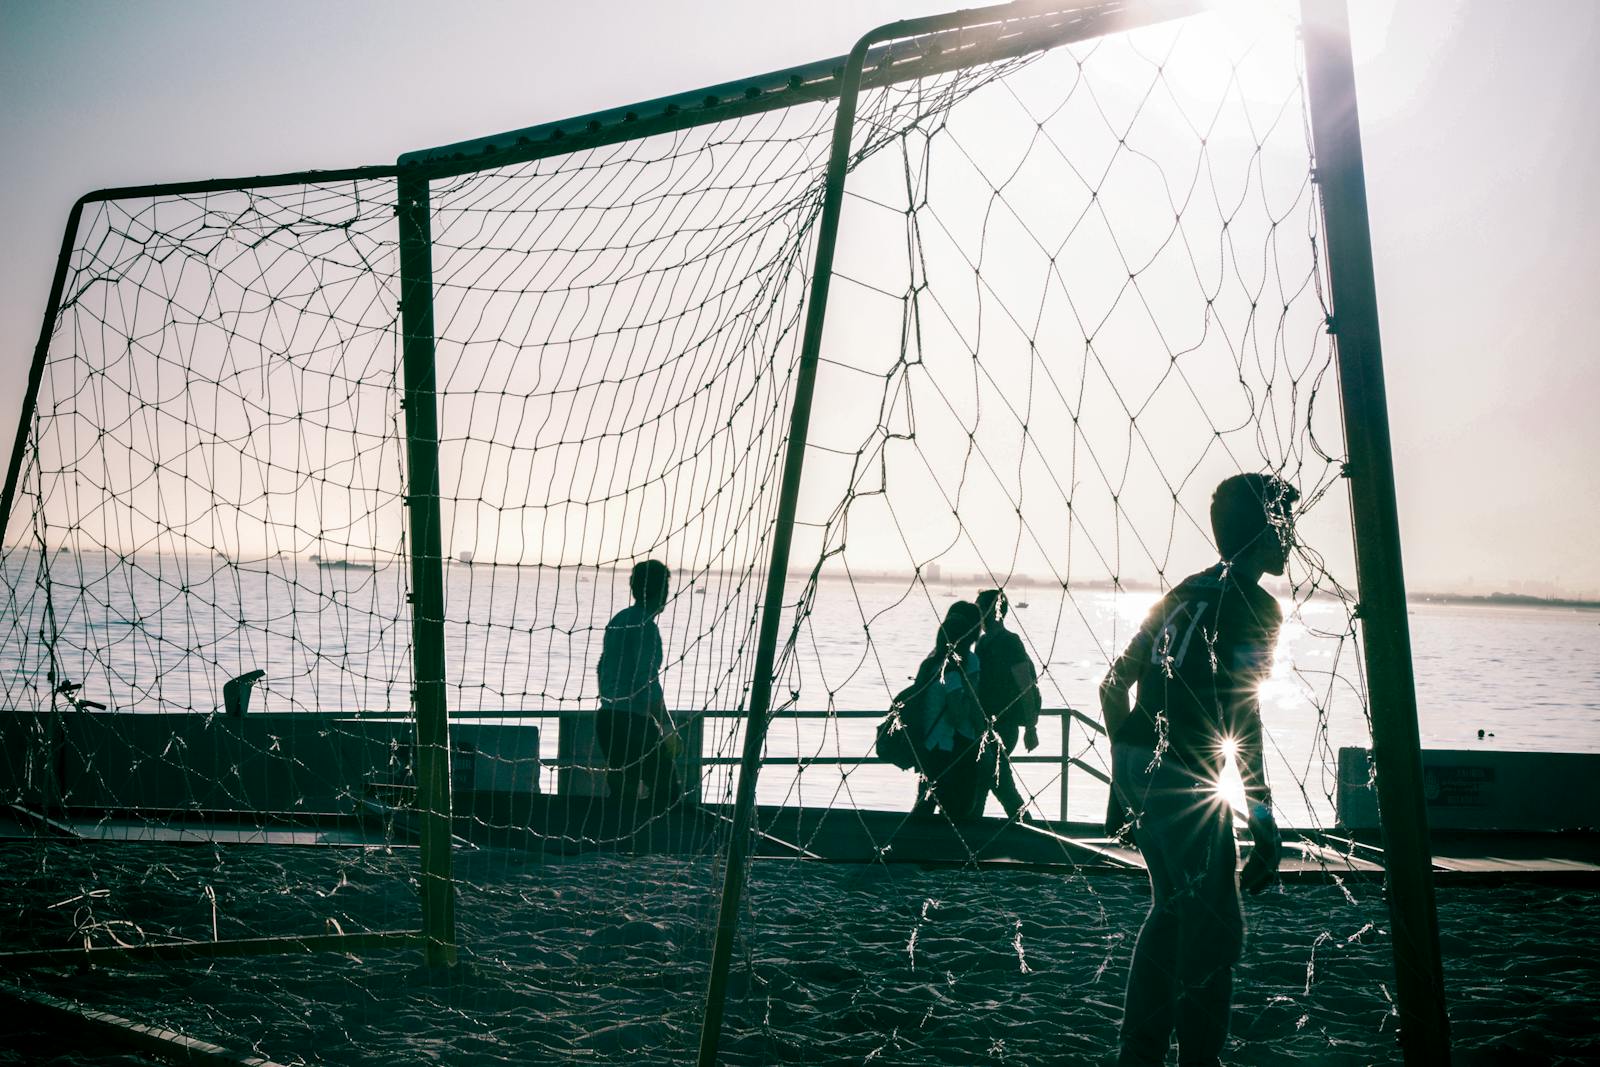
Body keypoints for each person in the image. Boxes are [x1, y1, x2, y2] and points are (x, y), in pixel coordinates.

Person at [1099, 473, 1298, 1067]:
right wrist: (1262, 819)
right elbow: (1243, 713)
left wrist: (1124, 767)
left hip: (1144, 761)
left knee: (1172, 910)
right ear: (1263, 532)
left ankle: (1140, 1052)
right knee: (1216, 929)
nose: (1291, 537)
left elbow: (1114, 683)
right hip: (1180, 772)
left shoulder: (1185, 590)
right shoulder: (1256, 606)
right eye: (1284, 523)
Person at [596, 559, 685, 823]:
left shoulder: (619, 620)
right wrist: (668, 728)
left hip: (607, 718)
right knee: (667, 788)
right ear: (663, 591)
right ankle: (649, 844)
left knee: (624, 789)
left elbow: (602, 667)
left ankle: (616, 845)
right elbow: (647, 682)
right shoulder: (646, 628)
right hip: (632, 721)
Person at [908, 600, 990, 820]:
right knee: (958, 809)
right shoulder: (955, 671)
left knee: (925, 803)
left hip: (928, 743)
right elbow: (958, 716)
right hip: (949, 746)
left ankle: (913, 846)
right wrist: (971, 692)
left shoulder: (929, 665)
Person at [975, 588, 1041, 820]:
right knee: (988, 780)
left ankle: (1025, 826)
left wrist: (1031, 728)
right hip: (984, 724)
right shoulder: (981, 643)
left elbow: (1025, 685)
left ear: (990, 612)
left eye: (979, 609)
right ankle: (1021, 824)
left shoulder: (1010, 643)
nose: (977, 615)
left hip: (1005, 725)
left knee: (995, 780)